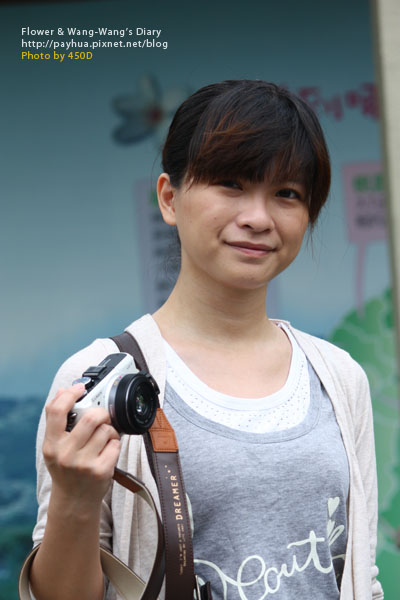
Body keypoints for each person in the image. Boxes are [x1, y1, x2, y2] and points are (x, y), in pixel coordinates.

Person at [26, 80, 383, 600]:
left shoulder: (340, 377)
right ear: (170, 199)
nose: (258, 218)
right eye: (231, 184)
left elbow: (359, 576)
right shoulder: (103, 380)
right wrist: (74, 499)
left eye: (286, 193)